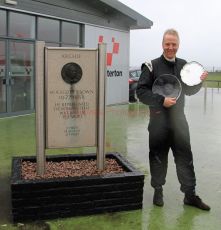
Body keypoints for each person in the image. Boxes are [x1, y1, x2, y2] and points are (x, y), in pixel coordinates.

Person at [136, 28, 210, 211]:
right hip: (158, 123)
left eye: (174, 44)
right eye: (167, 44)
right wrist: (161, 101)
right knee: (158, 158)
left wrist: (198, 81)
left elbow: (189, 90)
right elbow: (141, 92)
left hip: (179, 123)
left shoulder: (184, 66)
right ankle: (158, 190)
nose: (170, 47)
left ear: (178, 46)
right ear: (162, 44)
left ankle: (190, 195)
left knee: (185, 158)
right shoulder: (151, 66)